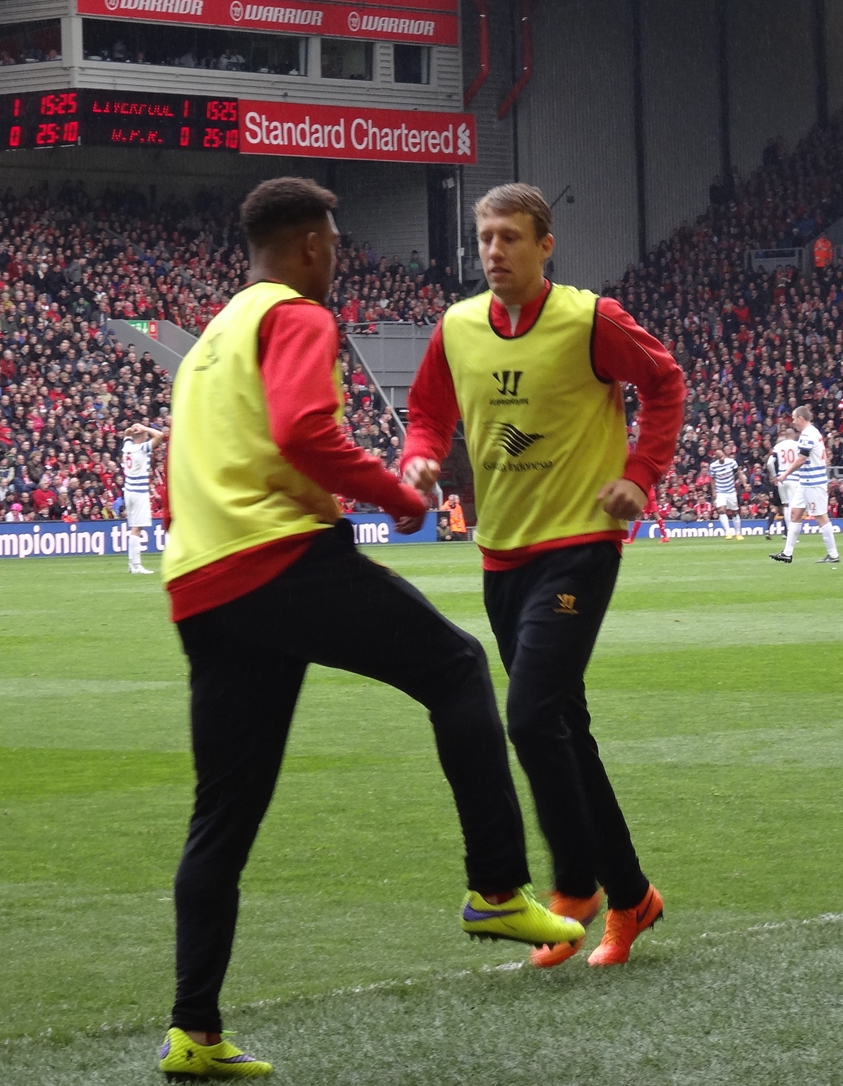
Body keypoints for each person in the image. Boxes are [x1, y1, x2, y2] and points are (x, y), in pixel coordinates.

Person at [156, 178, 584, 1079]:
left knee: (223, 815)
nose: (340, 257)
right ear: (312, 244)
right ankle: (497, 888)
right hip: (278, 559)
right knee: (458, 667)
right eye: (338, 243)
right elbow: (308, 431)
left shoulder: (209, 344)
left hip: (202, 587)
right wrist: (397, 497)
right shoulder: (299, 317)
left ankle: (194, 1031)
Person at [402, 182, 686, 969]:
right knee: (566, 729)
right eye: (485, 238)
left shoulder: (591, 320)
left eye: (510, 238)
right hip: (501, 555)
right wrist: (418, 458)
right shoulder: (457, 327)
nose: (494, 251)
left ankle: (576, 884)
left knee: (529, 718)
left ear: (545, 245)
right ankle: (633, 898)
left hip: (580, 545)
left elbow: (664, 382)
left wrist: (642, 472)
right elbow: (426, 412)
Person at [770, 406, 839, 564]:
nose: (792, 421)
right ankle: (787, 553)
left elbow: (802, 459)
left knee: (821, 516)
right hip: (806, 481)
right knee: (795, 513)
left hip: (813, 482)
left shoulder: (807, 435)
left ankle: (833, 554)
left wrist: (785, 474)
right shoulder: (813, 432)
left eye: (794, 418)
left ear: (801, 418)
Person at [122, 421, 165, 574]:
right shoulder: (141, 448)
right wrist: (144, 427)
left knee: (135, 527)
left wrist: (131, 429)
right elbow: (160, 435)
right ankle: (135, 565)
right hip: (139, 491)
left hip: (128, 490)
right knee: (137, 528)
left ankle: (132, 563)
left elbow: (126, 435)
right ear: (143, 435)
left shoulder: (127, 447)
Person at [765, 426, 801, 541]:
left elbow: (770, 463)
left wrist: (774, 476)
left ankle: (788, 533)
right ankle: (791, 534)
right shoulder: (797, 445)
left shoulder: (778, 446)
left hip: (781, 478)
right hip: (794, 477)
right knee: (792, 505)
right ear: (794, 435)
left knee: (785, 505)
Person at [710, 443, 746, 539]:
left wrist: (744, 483)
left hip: (731, 490)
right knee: (721, 510)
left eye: (722, 456)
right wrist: (714, 491)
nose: (721, 458)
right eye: (719, 457)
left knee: (734, 511)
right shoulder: (713, 466)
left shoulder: (731, 462)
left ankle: (738, 533)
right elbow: (712, 479)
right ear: (716, 458)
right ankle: (728, 532)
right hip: (720, 491)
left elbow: (738, 472)